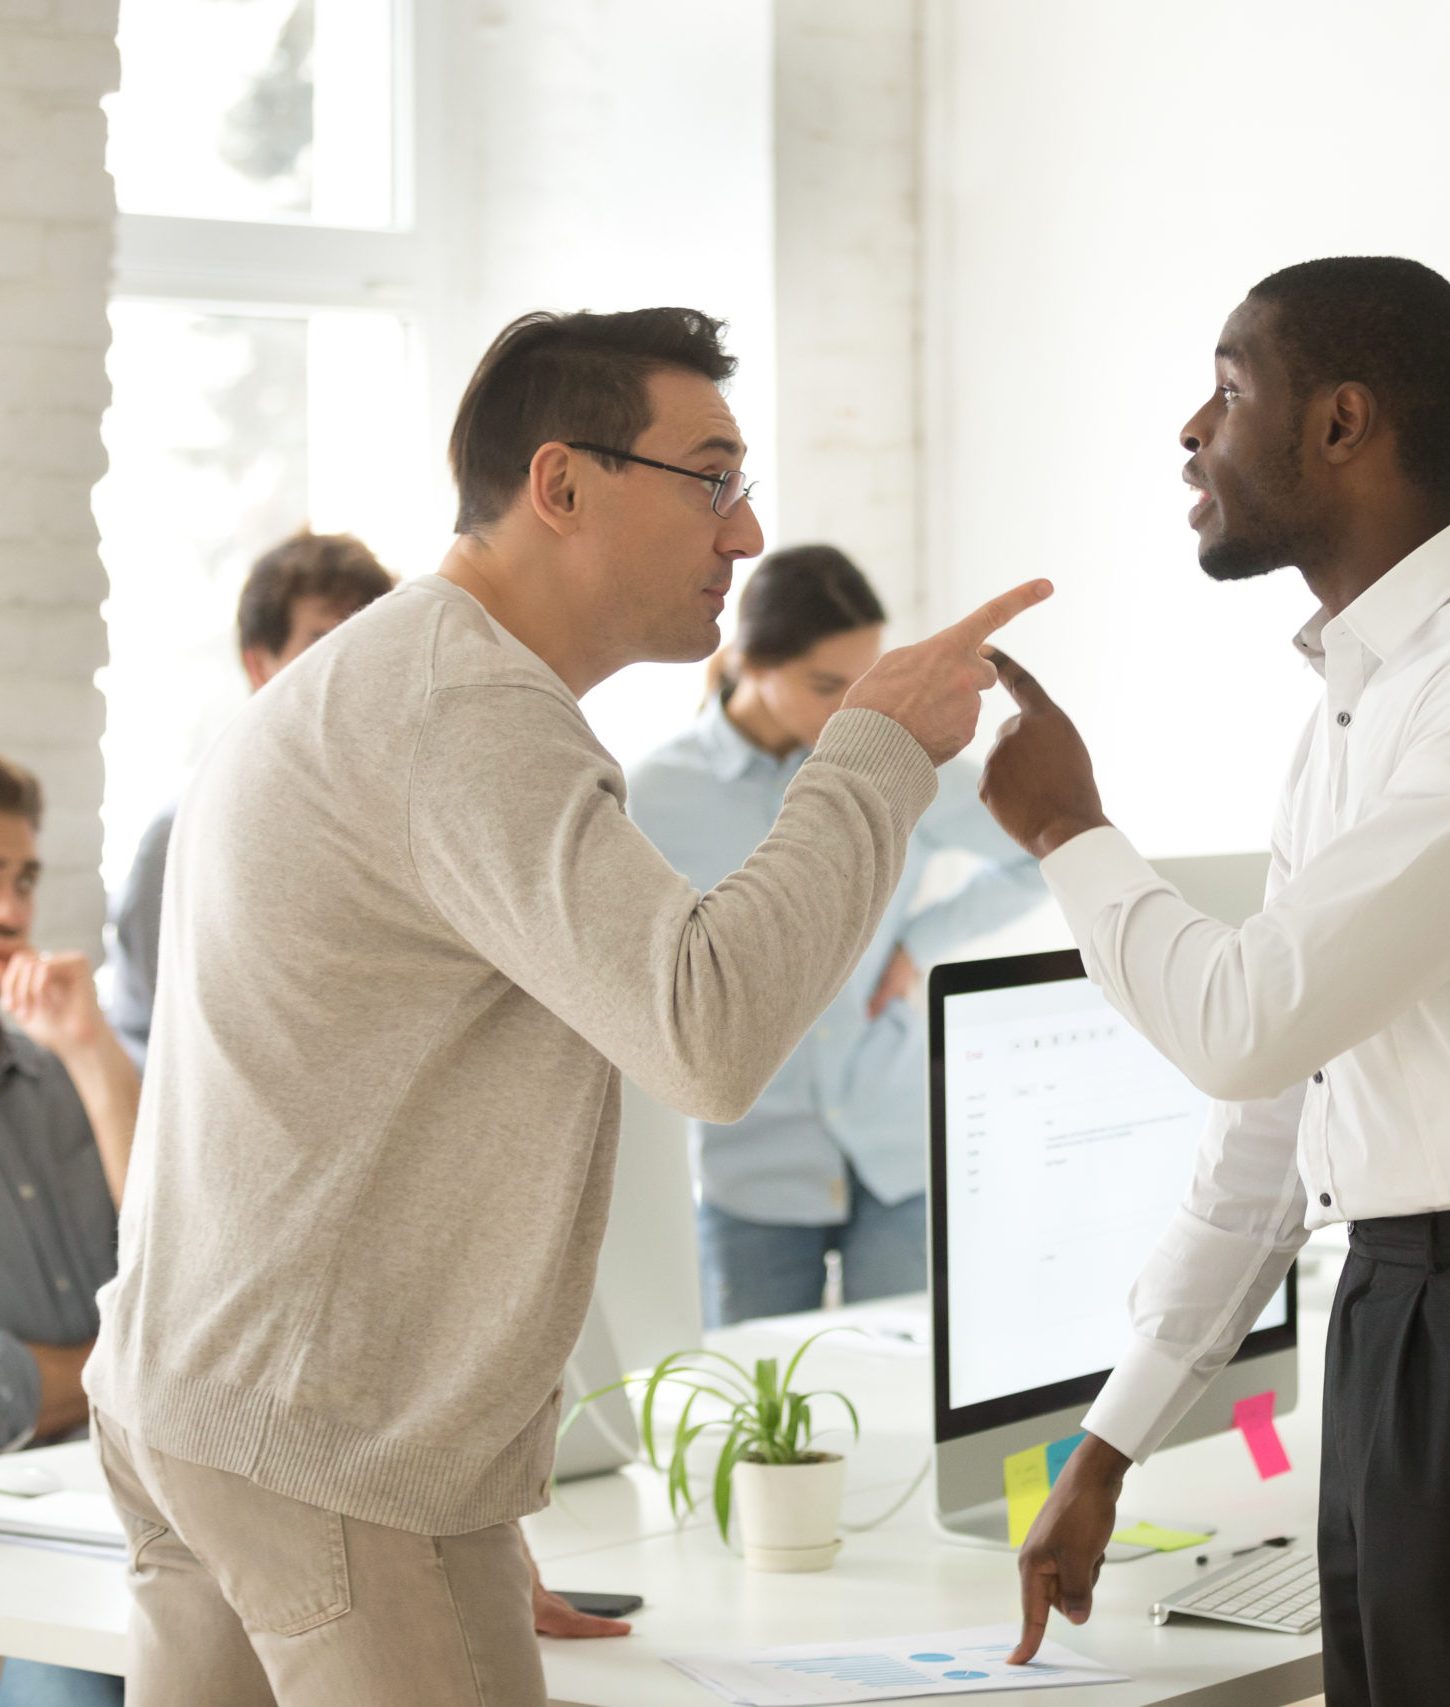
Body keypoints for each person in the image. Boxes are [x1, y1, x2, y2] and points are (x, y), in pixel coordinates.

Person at [80, 306, 1049, 1707]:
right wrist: (878, 748)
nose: (748, 529)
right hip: (321, 1451)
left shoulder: (403, 681)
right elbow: (706, 1032)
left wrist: (453, 1492)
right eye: (711, 475)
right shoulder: (464, 709)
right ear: (562, 483)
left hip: (209, 1415)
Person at [979, 257, 1450, 1704]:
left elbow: (1244, 1024)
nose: (1192, 427)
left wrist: (1068, 827)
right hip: (1395, 1311)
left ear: (1343, 424)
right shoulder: (1358, 704)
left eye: (1230, 387)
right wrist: (1107, 1443)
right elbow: (1288, 1109)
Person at [629, 545, 1044, 1321]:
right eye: (826, 687)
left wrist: (915, 944)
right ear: (748, 662)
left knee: (907, 1401)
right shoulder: (657, 794)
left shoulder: (903, 760)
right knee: (757, 1417)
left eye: (861, 685)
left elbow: (1040, 853)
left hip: (895, 1151)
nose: (849, 712)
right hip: (751, 1166)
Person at [106, 530, 397, 1066]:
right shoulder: (183, 834)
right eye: (322, 643)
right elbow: (151, 1037)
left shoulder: (397, 827)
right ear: (259, 664)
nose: (350, 666)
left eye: (366, 640)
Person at [0, 756, 139, 1707]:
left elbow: (188, 1279)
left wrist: (94, 1058)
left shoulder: (60, 1073)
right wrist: (126, 1369)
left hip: (95, 1524)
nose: (13, 912)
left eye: (22, 877)